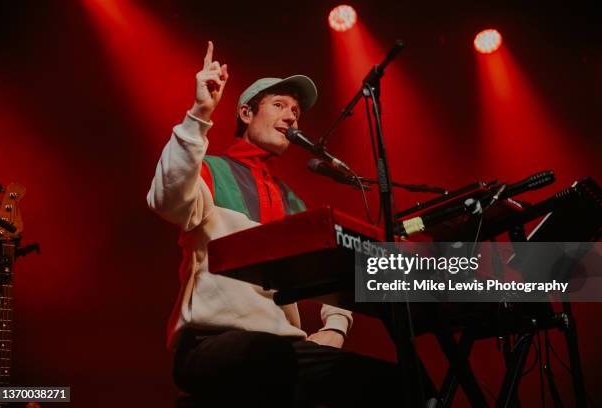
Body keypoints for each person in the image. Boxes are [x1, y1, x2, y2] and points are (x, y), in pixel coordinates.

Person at [147, 41, 407, 407]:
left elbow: (336, 272)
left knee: (398, 383)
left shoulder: (292, 202)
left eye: (297, 111)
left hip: (283, 348)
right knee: (271, 360)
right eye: (280, 105)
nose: (291, 117)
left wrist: (335, 326)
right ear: (246, 112)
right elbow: (166, 199)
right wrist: (199, 114)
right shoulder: (210, 171)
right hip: (210, 344)